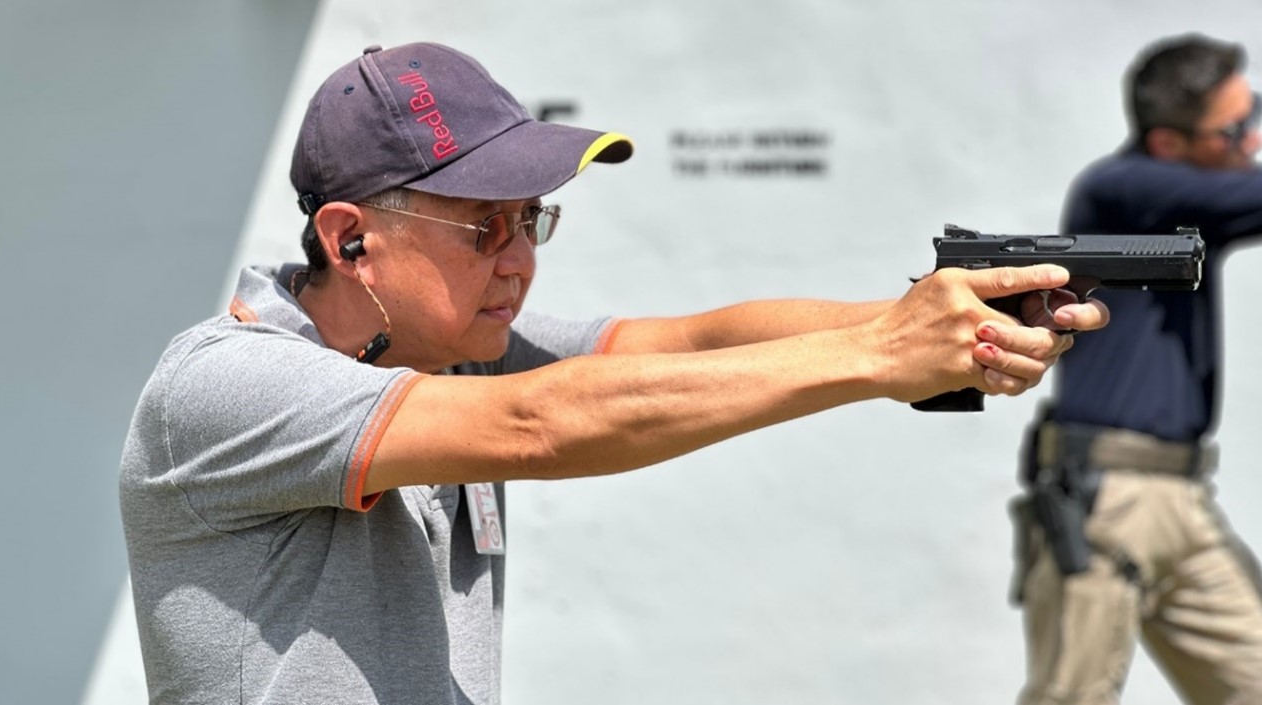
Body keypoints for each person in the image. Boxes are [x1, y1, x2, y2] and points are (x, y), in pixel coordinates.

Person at [119, 42, 1107, 705]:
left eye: (531, 220)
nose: (519, 257)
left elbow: (685, 346)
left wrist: (931, 326)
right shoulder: (224, 389)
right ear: (352, 240)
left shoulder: (457, 347)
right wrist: (884, 355)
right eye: (484, 224)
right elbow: (537, 428)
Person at [1011, 33, 1262, 705]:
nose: (1253, 141)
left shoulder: (1185, 205)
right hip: (1106, 498)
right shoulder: (1123, 190)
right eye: (1235, 128)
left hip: (1182, 496)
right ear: (1168, 145)